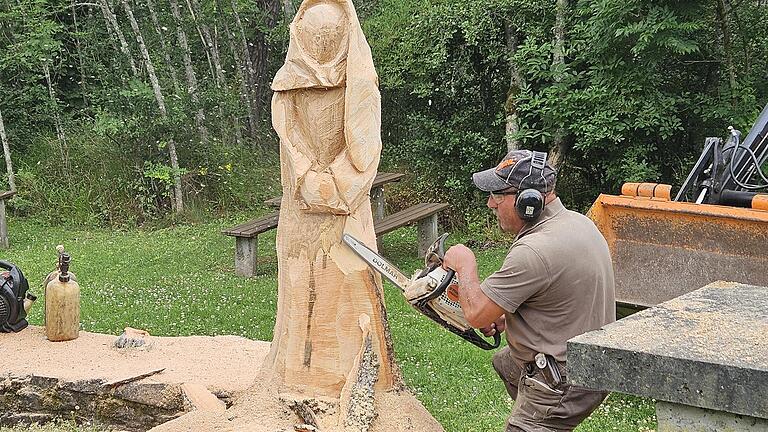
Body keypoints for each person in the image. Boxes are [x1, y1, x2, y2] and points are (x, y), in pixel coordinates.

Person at [443, 149, 616, 432]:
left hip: (565, 382)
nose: (490, 204)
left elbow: (475, 314)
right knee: (506, 363)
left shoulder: (534, 250)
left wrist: (465, 264)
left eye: (498, 196)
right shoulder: (577, 222)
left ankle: (538, 422)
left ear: (529, 200)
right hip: (595, 364)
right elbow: (560, 293)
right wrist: (512, 317)